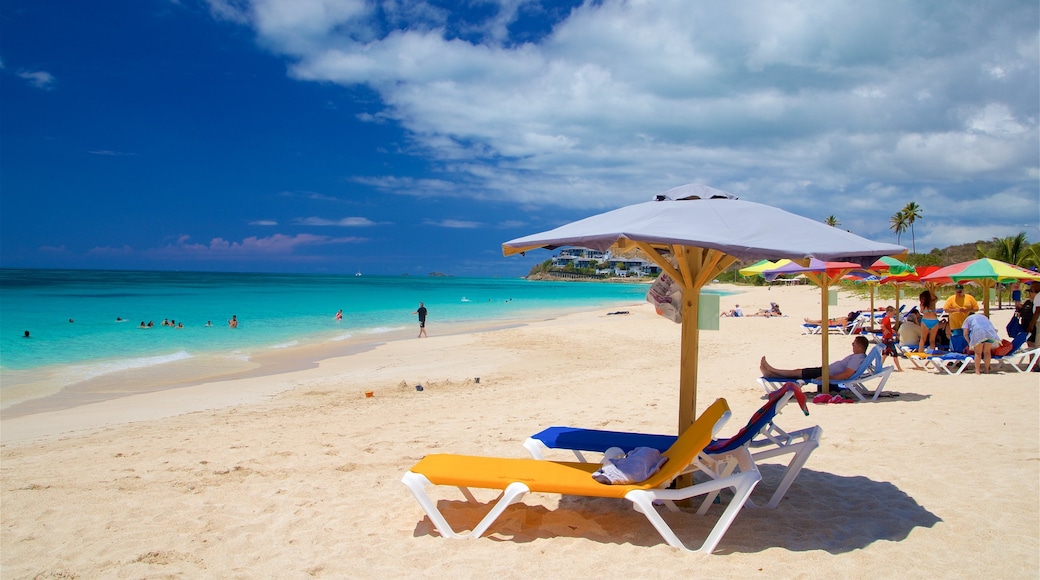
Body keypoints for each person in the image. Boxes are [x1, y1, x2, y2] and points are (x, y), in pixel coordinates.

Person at [760, 336, 870, 382]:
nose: (852, 345)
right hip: (825, 370)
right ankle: (771, 373)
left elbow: (846, 375)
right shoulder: (859, 357)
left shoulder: (857, 358)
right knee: (798, 372)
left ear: (860, 347)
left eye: (854, 343)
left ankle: (772, 371)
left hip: (825, 373)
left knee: (797, 373)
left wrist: (827, 378)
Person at [943, 283, 979, 351]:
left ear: (963, 290)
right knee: (958, 341)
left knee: (967, 340)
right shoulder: (951, 299)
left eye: (960, 291)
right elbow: (946, 309)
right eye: (957, 292)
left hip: (967, 324)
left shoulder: (969, 298)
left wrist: (967, 310)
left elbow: (976, 308)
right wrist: (956, 310)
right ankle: (958, 356)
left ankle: (967, 353)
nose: (958, 293)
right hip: (955, 324)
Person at [880, 306, 902, 371]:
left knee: (885, 354)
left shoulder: (885, 319)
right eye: (893, 313)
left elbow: (885, 326)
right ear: (889, 312)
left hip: (885, 339)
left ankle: (879, 367)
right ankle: (899, 368)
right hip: (888, 340)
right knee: (894, 353)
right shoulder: (887, 319)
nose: (893, 315)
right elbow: (882, 326)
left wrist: (892, 331)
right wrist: (886, 330)